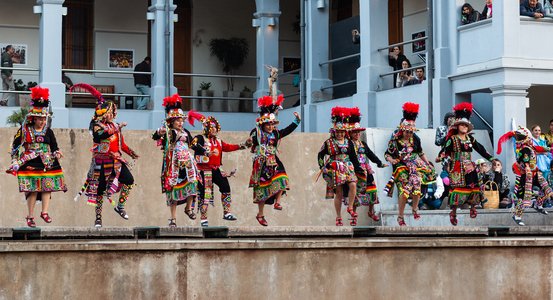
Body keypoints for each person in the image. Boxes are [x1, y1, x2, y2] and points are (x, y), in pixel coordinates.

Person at [72, 83, 139, 228]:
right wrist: (116, 128)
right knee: (100, 190)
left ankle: (120, 206)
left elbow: (122, 144)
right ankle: (98, 218)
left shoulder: (115, 127)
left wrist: (132, 153)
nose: (111, 114)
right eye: (109, 111)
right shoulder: (97, 125)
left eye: (112, 112)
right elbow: (99, 136)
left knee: (129, 180)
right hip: (101, 162)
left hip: (116, 161)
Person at [6, 86, 67, 227]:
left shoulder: (49, 132)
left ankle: (44, 212)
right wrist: (14, 160)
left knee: (47, 186)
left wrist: (57, 152)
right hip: (31, 161)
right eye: (40, 119)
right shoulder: (24, 130)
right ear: (33, 118)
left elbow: (55, 146)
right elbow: (15, 146)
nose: (42, 121)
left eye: (44, 119)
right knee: (33, 188)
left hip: (47, 162)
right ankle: (30, 216)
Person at [437, 103, 494, 225]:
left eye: (466, 125)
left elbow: (480, 148)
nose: (464, 127)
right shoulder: (452, 139)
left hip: (469, 166)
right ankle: (453, 212)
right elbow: (445, 150)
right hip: (457, 166)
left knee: (474, 185)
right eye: (462, 125)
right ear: (457, 126)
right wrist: (440, 156)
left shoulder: (470, 139)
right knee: (457, 188)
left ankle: (473, 206)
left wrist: (492, 158)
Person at [249, 94, 301, 226]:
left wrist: (296, 121)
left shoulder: (276, 133)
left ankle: (278, 202)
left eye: (272, 124)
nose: (270, 126)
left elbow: (287, 130)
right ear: (263, 124)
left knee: (283, 178)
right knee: (261, 188)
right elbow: (252, 140)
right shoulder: (256, 132)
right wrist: (250, 141)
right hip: (261, 162)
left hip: (273, 160)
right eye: (268, 124)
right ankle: (260, 215)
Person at [191, 115, 251, 227]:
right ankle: (203, 218)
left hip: (216, 168)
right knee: (205, 194)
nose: (214, 129)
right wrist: (205, 151)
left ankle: (227, 212)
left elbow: (229, 147)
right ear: (206, 127)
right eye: (211, 127)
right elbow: (193, 145)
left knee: (226, 187)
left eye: (216, 127)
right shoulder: (200, 138)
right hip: (204, 170)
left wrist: (244, 145)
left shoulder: (218, 140)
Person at [152, 94, 202, 227]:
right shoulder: (169, 132)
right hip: (173, 163)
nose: (180, 122)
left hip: (187, 163)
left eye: (181, 120)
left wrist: (205, 150)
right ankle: (173, 218)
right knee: (173, 188)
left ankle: (188, 208)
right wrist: (160, 132)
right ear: (172, 121)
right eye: (177, 120)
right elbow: (155, 136)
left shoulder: (185, 132)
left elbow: (193, 144)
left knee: (193, 183)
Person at [385, 102, 435, 226]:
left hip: (415, 165)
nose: (409, 134)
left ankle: (415, 208)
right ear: (402, 130)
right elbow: (387, 154)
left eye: (411, 132)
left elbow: (421, 152)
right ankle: (400, 216)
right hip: (401, 167)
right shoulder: (395, 141)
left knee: (417, 184)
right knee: (404, 190)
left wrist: (427, 163)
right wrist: (392, 160)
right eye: (407, 132)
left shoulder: (416, 139)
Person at [317, 107, 364, 226]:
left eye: (342, 132)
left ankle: (350, 208)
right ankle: (338, 217)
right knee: (339, 191)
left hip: (348, 166)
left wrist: (358, 168)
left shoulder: (349, 142)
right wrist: (323, 167)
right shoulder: (328, 143)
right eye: (337, 132)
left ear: (345, 132)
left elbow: (353, 157)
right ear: (334, 132)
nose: (339, 134)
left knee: (353, 184)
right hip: (335, 167)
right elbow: (320, 154)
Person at [497, 127, 553, 226]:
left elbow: (540, 149)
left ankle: (538, 204)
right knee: (522, 197)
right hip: (527, 176)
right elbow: (526, 161)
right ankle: (517, 216)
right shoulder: (525, 149)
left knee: (546, 189)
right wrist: (527, 169)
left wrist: (549, 149)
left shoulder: (530, 147)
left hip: (535, 173)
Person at [347, 108, 388, 223]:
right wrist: (356, 167)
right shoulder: (348, 144)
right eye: (355, 132)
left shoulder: (363, 144)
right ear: (350, 133)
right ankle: (353, 216)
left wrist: (379, 163)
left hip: (366, 170)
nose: (357, 134)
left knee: (372, 190)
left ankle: (371, 211)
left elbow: (370, 154)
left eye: (358, 132)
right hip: (355, 171)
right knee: (356, 193)